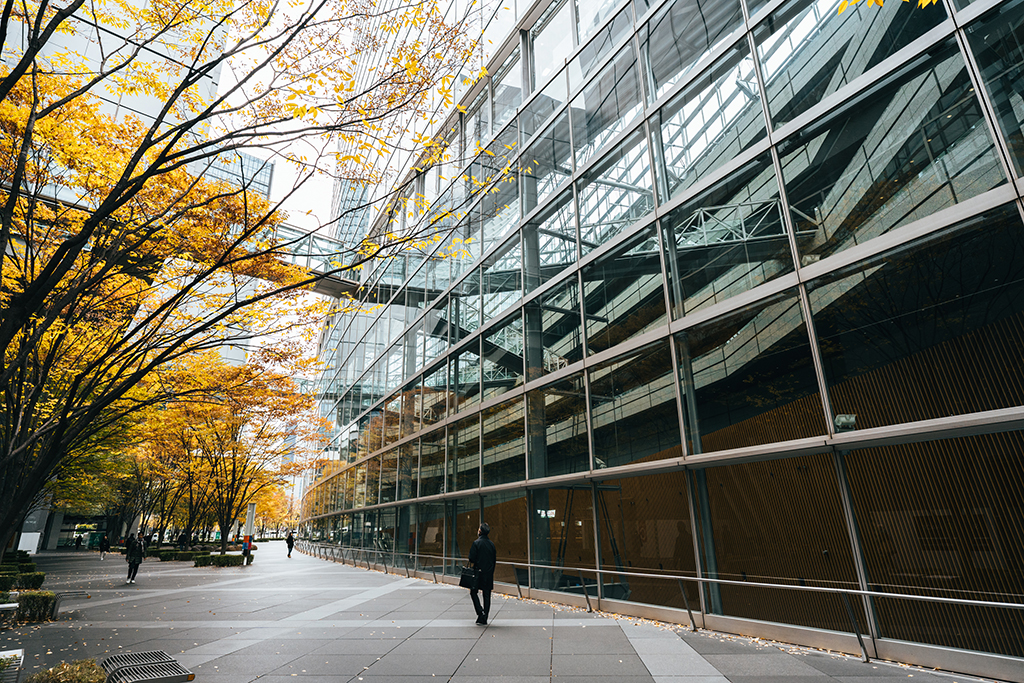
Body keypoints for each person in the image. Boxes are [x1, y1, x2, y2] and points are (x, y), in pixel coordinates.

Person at [468, 522, 496, 625]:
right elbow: (494, 560)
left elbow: (471, 559)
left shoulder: (476, 543)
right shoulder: (491, 544)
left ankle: (480, 612)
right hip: (488, 573)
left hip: (477, 573)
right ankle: (485, 616)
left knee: (473, 592)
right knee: (487, 595)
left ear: (480, 531)